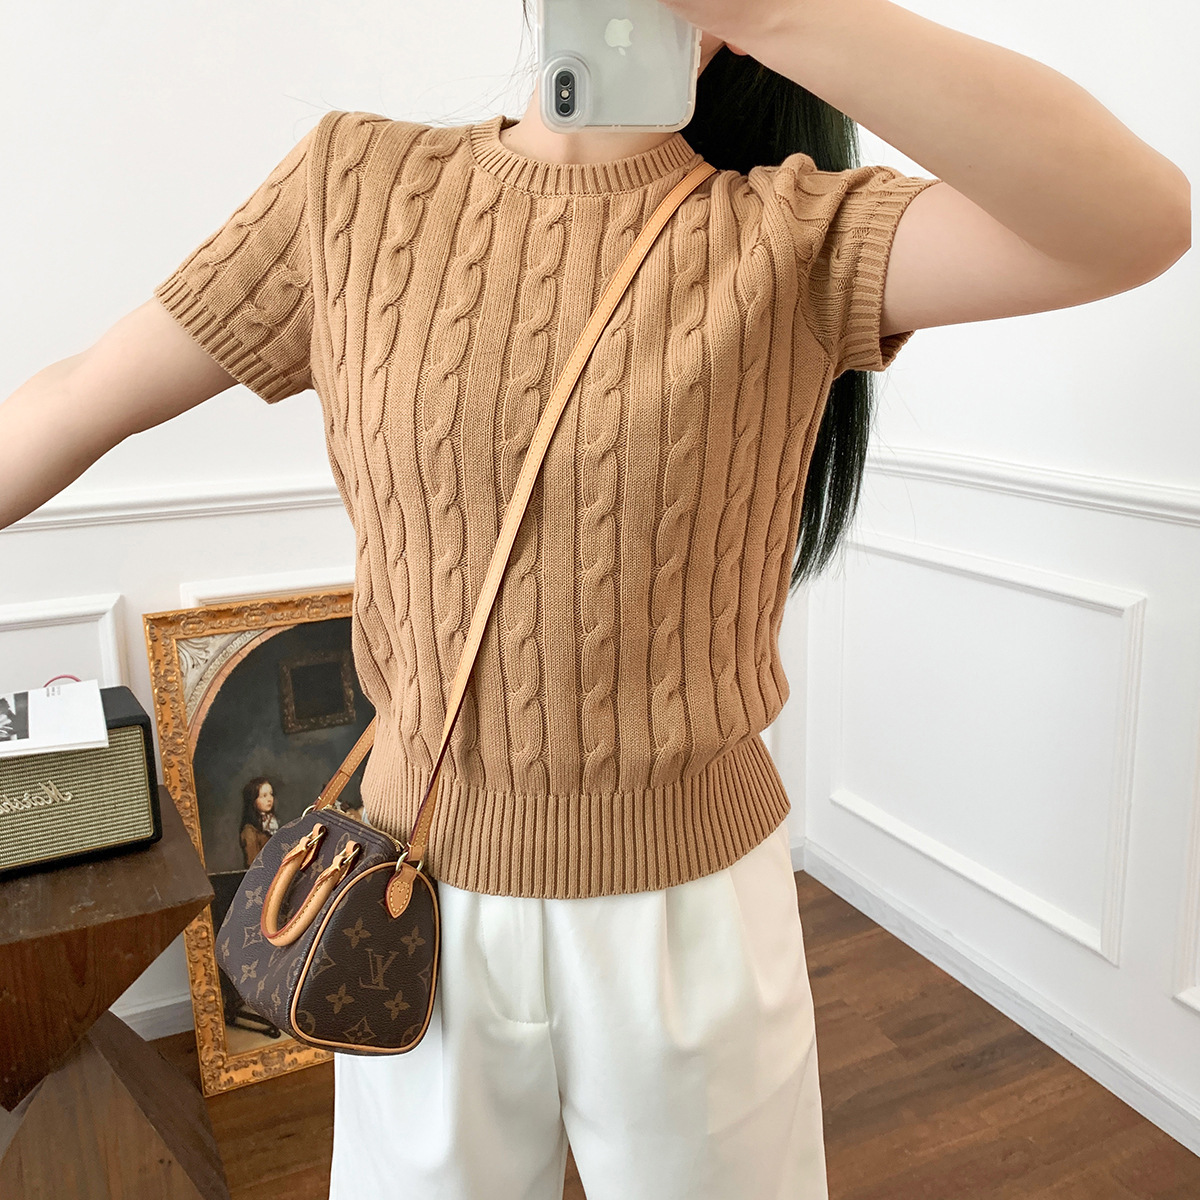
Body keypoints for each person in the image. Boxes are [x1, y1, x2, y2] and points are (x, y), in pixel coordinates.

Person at [0, 2, 1188, 1197]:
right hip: (415, 888)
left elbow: (1135, 221)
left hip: (692, 911)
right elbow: (79, 394)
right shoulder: (350, 185)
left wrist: (774, 12)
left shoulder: (793, 235)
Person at [238, 776, 280, 868]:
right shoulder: (249, 831)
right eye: (264, 796)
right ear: (253, 800)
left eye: (271, 794)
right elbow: (253, 864)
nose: (269, 799)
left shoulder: (272, 823)